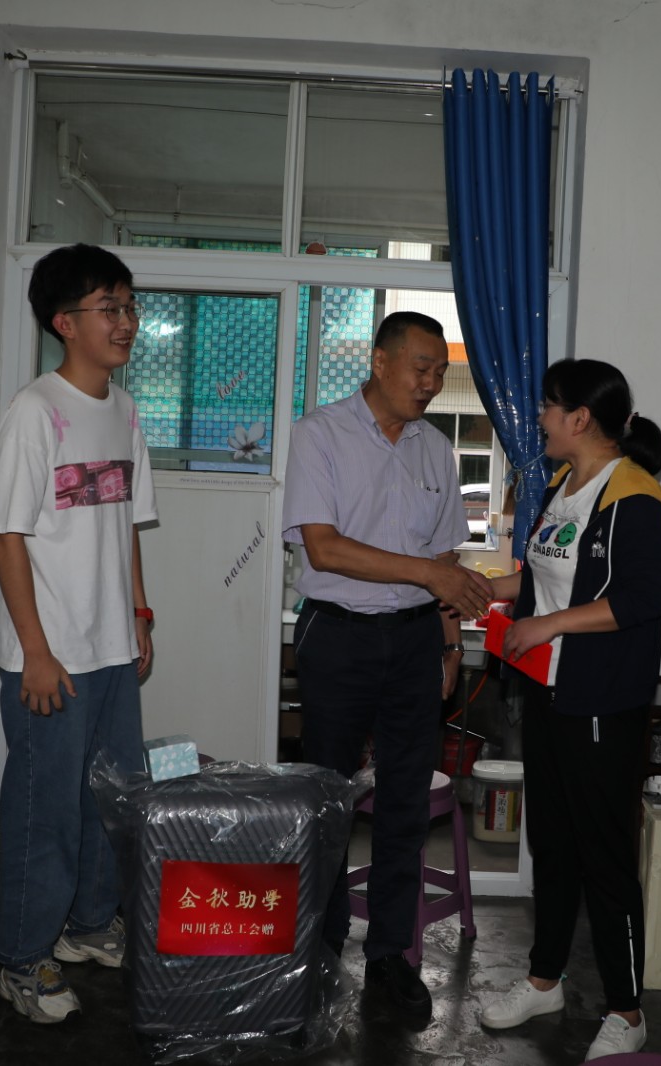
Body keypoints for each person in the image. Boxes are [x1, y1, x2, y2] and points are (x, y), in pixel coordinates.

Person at [282, 310, 494, 1020]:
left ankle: (390, 959)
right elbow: (324, 548)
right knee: (327, 800)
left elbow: (445, 560)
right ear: (379, 361)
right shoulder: (321, 434)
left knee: (405, 805)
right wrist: (430, 577)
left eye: (439, 371)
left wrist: (448, 644)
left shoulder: (436, 450)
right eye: (420, 367)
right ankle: (318, 952)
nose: (431, 382)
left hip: (412, 642)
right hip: (338, 636)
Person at [475, 360, 661, 1060]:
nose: (540, 418)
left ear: (581, 417)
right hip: (549, 695)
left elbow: (642, 599)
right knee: (553, 846)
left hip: (599, 702)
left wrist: (549, 626)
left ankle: (626, 1010)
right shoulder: (565, 488)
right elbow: (543, 580)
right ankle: (544, 980)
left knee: (604, 858)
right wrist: (484, 589)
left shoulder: (634, 497)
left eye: (549, 407)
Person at [0, 243, 157, 1022]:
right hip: (49, 656)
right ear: (64, 322)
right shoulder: (35, 410)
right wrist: (34, 650)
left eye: (129, 306)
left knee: (111, 801)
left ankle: (89, 926)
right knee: (44, 810)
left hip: (111, 649)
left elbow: (126, 526)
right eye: (108, 308)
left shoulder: (124, 410)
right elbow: (7, 535)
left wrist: (140, 615)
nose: (126, 322)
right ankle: (21, 959)